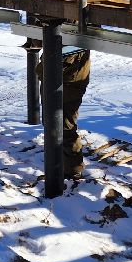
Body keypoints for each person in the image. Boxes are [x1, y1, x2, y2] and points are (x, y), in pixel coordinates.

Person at [36, 45, 92, 180]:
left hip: (69, 78)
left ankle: (72, 171)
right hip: (57, 73)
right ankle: (62, 168)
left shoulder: (76, 34)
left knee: (64, 125)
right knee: (52, 122)